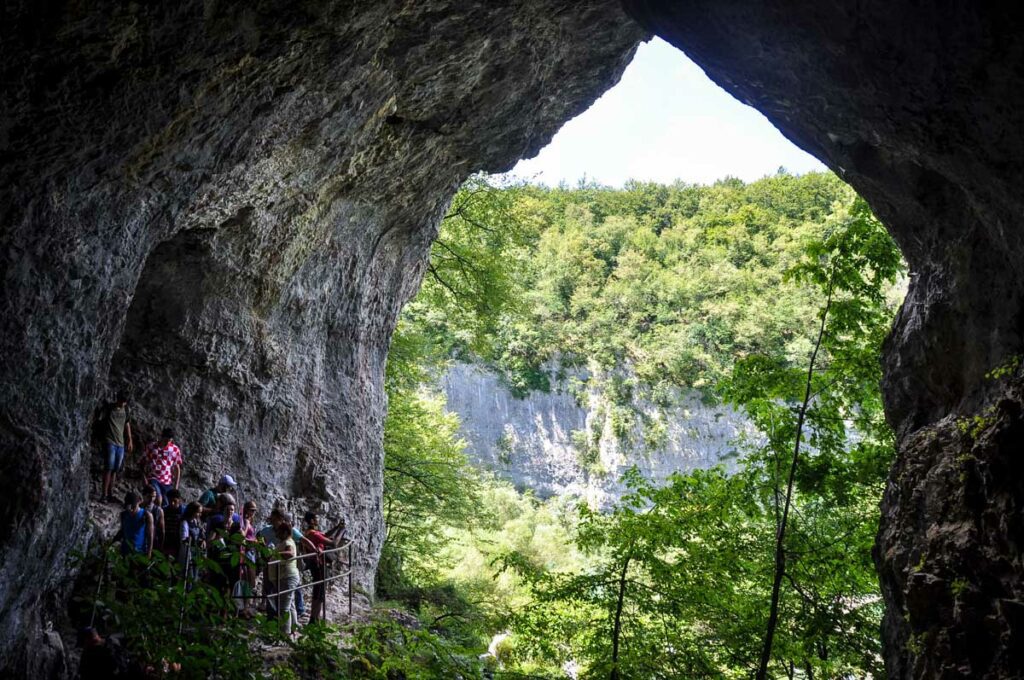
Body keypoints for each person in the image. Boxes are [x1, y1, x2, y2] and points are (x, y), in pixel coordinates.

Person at [302, 511, 337, 624]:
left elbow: (324, 536)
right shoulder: (314, 534)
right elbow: (333, 543)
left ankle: (314, 618)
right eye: (316, 518)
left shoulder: (308, 532)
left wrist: (336, 527)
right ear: (312, 520)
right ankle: (314, 619)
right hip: (319, 564)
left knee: (318, 590)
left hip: (313, 564)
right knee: (319, 591)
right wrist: (341, 531)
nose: (317, 520)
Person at [98, 394, 133, 503]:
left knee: (115, 470)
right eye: (121, 401)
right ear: (117, 399)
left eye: (125, 402)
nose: (123, 404)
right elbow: (99, 419)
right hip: (109, 441)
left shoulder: (126, 410)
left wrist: (129, 440)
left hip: (120, 443)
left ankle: (110, 494)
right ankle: (104, 495)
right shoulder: (109, 408)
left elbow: (127, 425)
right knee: (108, 468)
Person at [268, 521, 301, 636]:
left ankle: (285, 634)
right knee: (290, 605)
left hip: (286, 577)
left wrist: (275, 554)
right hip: (284, 577)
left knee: (284, 608)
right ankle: (293, 629)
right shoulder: (284, 542)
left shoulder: (288, 542)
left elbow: (290, 553)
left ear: (285, 532)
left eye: (279, 531)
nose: (277, 533)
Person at [141, 428, 182, 507]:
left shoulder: (175, 450)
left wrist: (176, 487)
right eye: (165, 440)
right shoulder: (152, 447)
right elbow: (142, 463)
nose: (167, 442)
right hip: (153, 478)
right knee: (158, 499)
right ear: (161, 437)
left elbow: (177, 468)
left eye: (169, 440)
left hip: (167, 481)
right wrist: (145, 480)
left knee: (167, 504)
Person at [118, 491, 153, 558]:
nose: (131, 509)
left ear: (138, 503)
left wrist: (149, 552)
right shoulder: (123, 514)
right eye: (129, 507)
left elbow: (150, 536)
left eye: (133, 507)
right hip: (125, 551)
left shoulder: (146, 515)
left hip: (140, 552)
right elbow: (122, 531)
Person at [140, 485, 165, 552]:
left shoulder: (158, 510)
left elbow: (162, 531)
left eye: (153, 497)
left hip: (152, 541)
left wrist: (160, 547)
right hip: (139, 539)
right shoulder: (138, 509)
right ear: (143, 496)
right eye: (149, 497)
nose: (151, 499)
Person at [162, 489, 184, 558]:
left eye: (174, 501)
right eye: (170, 501)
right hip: (166, 541)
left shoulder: (184, 512)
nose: (172, 503)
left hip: (178, 542)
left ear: (179, 500)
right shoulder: (164, 511)